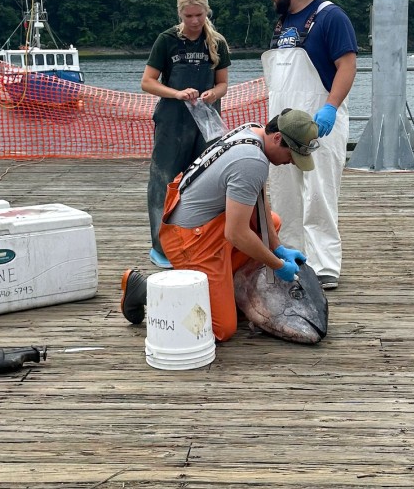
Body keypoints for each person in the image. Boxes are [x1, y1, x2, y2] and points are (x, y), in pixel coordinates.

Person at [121, 109, 319, 342]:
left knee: (272, 223)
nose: (292, 163)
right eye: (292, 155)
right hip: (189, 239)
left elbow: (259, 200)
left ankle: (219, 286)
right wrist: (276, 264)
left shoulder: (254, 132)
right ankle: (146, 290)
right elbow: (236, 233)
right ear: (277, 138)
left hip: (204, 224)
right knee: (219, 328)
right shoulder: (252, 162)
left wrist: (278, 247)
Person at [256, 0, 358, 290]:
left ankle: (325, 264)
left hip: (318, 121)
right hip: (281, 127)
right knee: (285, 194)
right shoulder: (282, 24)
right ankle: (291, 257)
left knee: (319, 193)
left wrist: (330, 107)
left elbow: (346, 65)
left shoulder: (331, 17)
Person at [141, 0, 230, 269]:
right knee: (164, 181)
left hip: (205, 122)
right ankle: (161, 245)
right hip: (171, 121)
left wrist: (214, 94)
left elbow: (223, 84)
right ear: (180, 14)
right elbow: (148, 82)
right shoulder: (167, 40)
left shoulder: (217, 43)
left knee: (203, 179)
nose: (194, 21)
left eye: (199, 15)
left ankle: (198, 241)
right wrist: (177, 93)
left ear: (207, 12)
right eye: (188, 15)